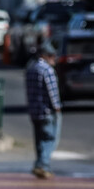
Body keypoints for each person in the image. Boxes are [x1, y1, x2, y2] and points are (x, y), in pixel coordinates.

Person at [26, 40, 63, 179]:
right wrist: (57, 108)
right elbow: (52, 92)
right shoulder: (47, 70)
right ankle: (42, 165)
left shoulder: (31, 68)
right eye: (52, 56)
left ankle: (40, 165)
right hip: (47, 112)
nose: (54, 59)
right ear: (46, 55)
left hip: (34, 112)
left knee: (39, 141)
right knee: (49, 139)